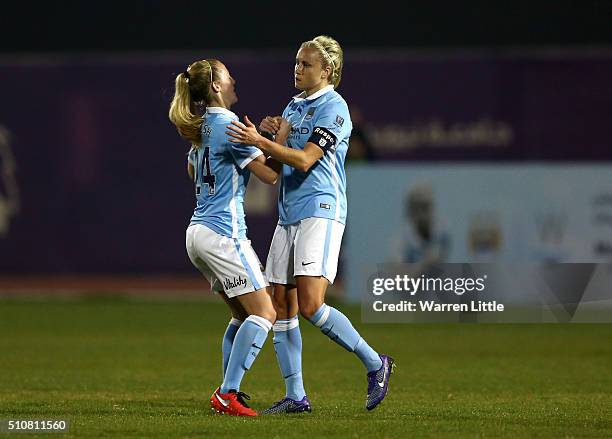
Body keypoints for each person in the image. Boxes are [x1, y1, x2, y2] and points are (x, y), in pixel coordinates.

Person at [227, 35, 395, 413]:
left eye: (306, 64)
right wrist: (274, 135)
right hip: (289, 214)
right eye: (297, 63)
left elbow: (304, 161)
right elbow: (281, 162)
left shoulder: (334, 108)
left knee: (312, 305)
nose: (298, 69)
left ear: (328, 70)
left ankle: (374, 362)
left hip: (321, 209)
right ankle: (295, 395)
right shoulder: (295, 105)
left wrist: (261, 141)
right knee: (281, 303)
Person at [168, 59, 284, 417]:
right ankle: (227, 393)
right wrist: (276, 139)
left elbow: (192, 170)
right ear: (216, 86)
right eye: (226, 75)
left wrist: (253, 144)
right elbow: (269, 176)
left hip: (197, 233)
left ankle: (227, 391)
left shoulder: (203, 126)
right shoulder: (229, 124)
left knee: (240, 314)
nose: (233, 79)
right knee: (266, 312)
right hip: (223, 234)